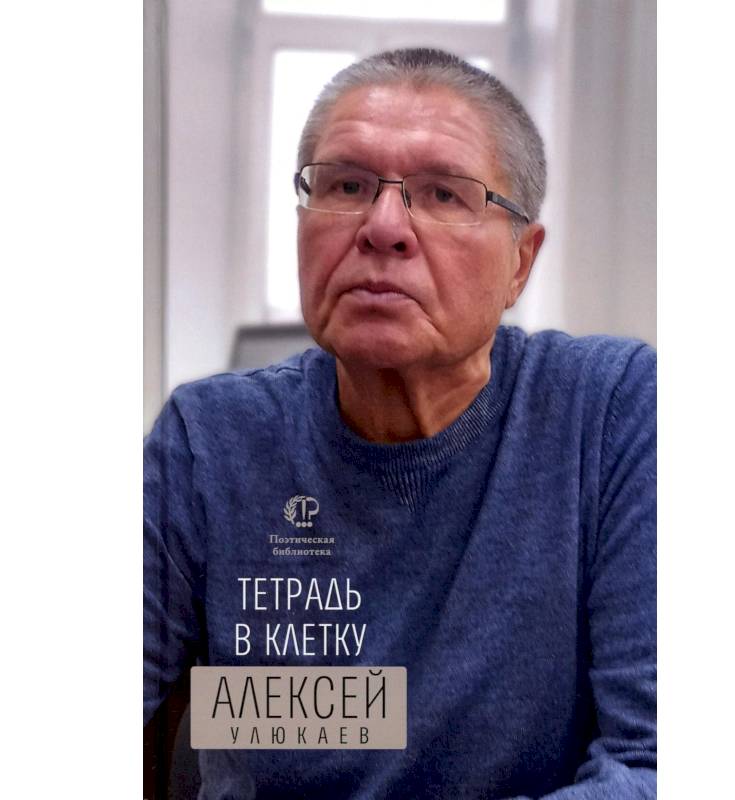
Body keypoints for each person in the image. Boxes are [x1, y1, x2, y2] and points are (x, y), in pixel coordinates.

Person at [145, 48, 656, 799]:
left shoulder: (610, 412)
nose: (383, 227)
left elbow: (653, 766)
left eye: (444, 194)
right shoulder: (210, 441)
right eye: (347, 185)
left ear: (521, 262)